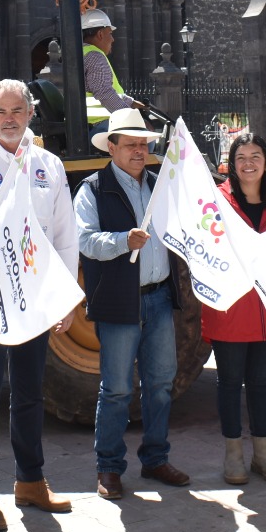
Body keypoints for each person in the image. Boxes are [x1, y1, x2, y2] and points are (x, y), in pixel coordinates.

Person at [0, 81, 79, 531]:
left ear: (30, 114)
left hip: (33, 285)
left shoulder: (49, 165)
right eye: (1, 111)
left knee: (29, 390)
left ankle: (31, 480)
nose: (9, 118)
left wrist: (65, 298)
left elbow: (65, 236)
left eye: (17, 110)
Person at [76, 107, 189, 499]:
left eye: (143, 144)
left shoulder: (160, 185)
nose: (139, 151)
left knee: (161, 383)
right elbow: (84, 241)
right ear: (112, 148)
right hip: (118, 303)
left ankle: (155, 459)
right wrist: (124, 240)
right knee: (117, 389)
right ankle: (109, 468)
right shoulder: (92, 189)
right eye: (131, 145)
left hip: (158, 298)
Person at [208, 132, 266, 484]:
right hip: (230, 307)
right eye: (241, 158)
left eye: (255, 157)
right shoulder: (216, 201)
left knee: (260, 382)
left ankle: (262, 455)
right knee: (230, 382)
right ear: (231, 165)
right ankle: (233, 455)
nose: (248, 164)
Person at [79, 9, 146, 131]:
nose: (113, 39)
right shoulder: (94, 56)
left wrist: (130, 101)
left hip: (87, 122)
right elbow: (104, 92)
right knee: (147, 138)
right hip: (99, 123)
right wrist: (129, 116)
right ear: (100, 34)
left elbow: (102, 90)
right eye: (110, 33)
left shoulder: (80, 53)